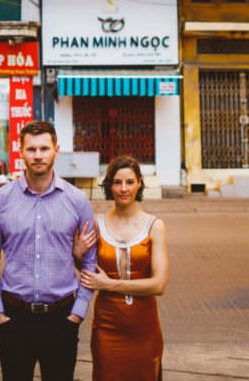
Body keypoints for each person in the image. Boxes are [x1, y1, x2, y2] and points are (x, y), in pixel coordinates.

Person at [0, 120, 97, 381]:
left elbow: (91, 262)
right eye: (31, 149)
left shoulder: (77, 201)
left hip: (61, 319)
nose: (38, 155)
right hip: (14, 317)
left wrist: (78, 312)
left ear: (57, 150)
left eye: (44, 148)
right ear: (20, 151)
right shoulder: (0, 201)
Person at [73, 155, 168, 381]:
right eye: (117, 182)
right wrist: (77, 254)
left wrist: (110, 284)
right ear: (109, 186)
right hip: (107, 326)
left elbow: (159, 284)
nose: (123, 189)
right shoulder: (96, 223)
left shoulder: (154, 226)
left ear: (139, 184)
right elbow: (87, 271)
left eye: (129, 182)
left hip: (144, 326)